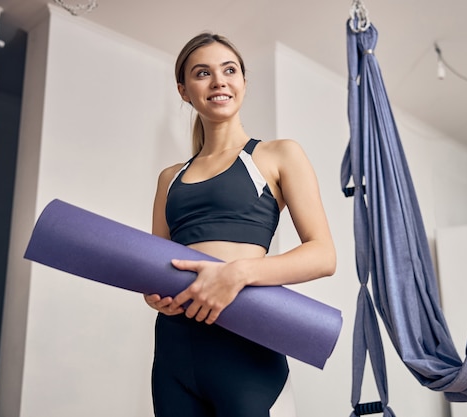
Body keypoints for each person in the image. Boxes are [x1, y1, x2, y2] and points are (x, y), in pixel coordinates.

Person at [143, 32, 336, 417]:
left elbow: (323, 254)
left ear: (243, 82)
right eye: (202, 73)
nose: (218, 81)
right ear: (183, 90)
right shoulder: (170, 177)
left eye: (229, 70)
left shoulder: (277, 155)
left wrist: (238, 274)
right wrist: (153, 295)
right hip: (174, 352)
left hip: (248, 349)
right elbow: (155, 264)